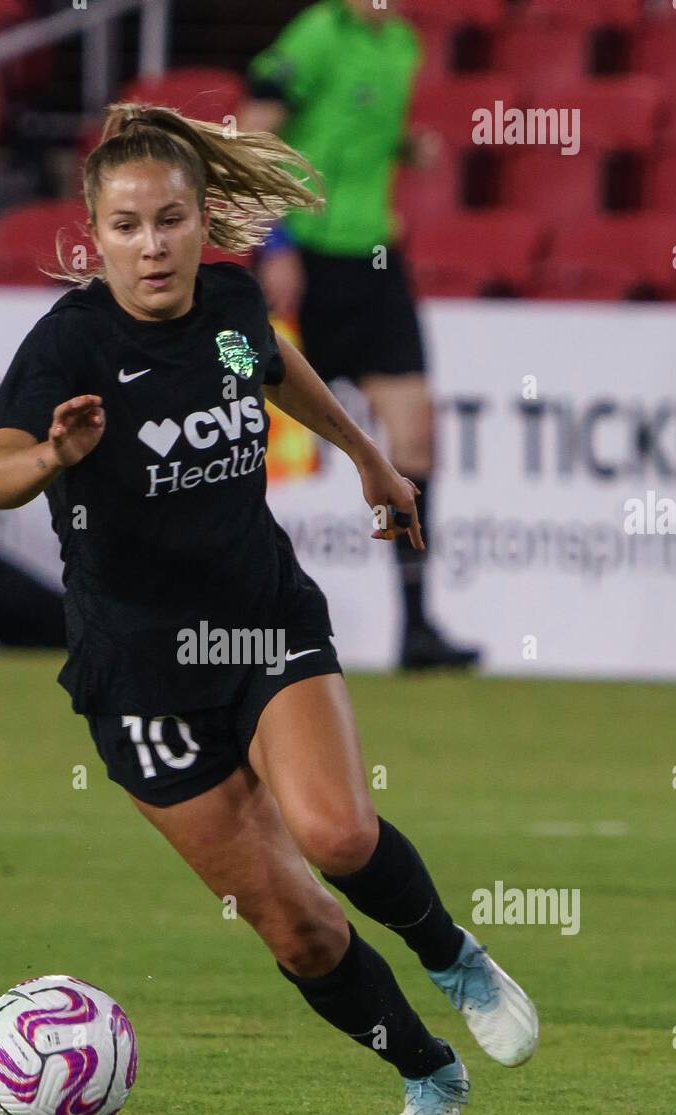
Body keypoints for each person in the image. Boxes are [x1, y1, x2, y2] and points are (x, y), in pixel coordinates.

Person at [0, 102, 537, 1115]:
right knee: (303, 930)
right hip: (138, 676)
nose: (152, 244)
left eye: (171, 220)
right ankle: (427, 1074)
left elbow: (276, 370)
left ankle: (454, 955)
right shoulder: (70, 348)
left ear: (203, 223)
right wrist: (50, 457)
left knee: (337, 830)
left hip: (260, 621)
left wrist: (368, 457)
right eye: (130, 226)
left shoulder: (231, 307)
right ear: (95, 235)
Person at [240, 0, 481, 671]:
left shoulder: (402, 46)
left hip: (374, 262)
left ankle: (417, 626)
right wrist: (275, 241)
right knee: (244, 438)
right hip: (304, 263)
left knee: (416, 437)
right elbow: (253, 133)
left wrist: (405, 147)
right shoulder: (318, 33)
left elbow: (349, 129)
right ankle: (201, 609)